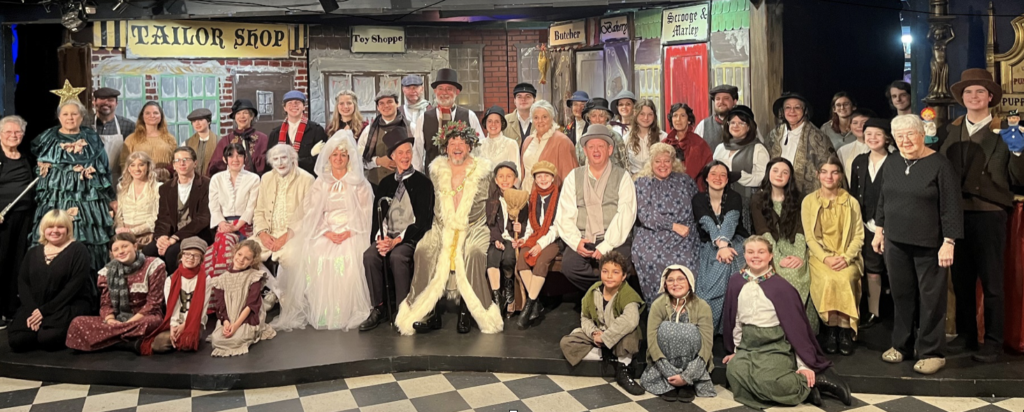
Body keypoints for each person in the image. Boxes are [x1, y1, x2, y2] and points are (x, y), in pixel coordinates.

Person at [937, 68, 1023, 363]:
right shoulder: (950, 130)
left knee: (992, 281)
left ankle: (994, 342)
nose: (973, 97)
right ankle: (966, 335)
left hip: (989, 214)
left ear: (990, 98)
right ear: (962, 98)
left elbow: (1018, 178)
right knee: (960, 280)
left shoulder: (1005, 132)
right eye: (968, 92)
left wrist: (1019, 151)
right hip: (956, 214)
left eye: (979, 92)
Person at [873, 114, 962, 374]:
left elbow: (951, 207)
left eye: (910, 134)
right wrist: (879, 231)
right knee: (902, 297)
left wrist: (949, 242)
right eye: (899, 136)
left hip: (931, 245)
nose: (905, 140)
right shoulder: (891, 163)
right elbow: (883, 199)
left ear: (922, 134)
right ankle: (901, 346)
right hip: (896, 243)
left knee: (931, 299)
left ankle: (933, 352)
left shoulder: (939, 165)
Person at [395, 120, 502, 335]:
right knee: (424, 250)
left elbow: (498, 201)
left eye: (462, 142)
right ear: (445, 147)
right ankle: (426, 311)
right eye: (453, 142)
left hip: (474, 226)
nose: (457, 147)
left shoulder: (484, 172)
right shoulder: (436, 171)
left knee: (472, 252)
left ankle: (469, 309)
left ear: (470, 146)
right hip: (441, 227)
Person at [722, 236, 852, 409]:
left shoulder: (782, 287)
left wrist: (803, 365)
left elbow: (796, 331)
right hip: (749, 346)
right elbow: (735, 320)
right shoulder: (736, 282)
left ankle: (804, 385)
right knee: (734, 372)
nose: (755, 256)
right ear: (744, 255)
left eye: (761, 252)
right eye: (750, 252)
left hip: (775, 346)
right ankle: (803, 393)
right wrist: (736, 350)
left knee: (773, 380)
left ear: (770, 256)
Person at [274, 131, 373, 331]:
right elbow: (312, 212)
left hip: (352, 230)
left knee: (347, 258)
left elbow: (366, 213)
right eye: (335, 155)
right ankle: (322, 311)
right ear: (329, 157)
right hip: (326, 229)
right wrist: (326, 232)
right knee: (314, 255)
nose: (338, 159)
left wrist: (349, 232)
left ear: (348, 158)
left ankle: (345, 310)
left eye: (343, 155)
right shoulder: (322, 182)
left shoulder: (359, 183)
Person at [359, 129, 435, 331]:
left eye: (408, 152)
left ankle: (404, 309)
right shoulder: (384, 184)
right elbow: (379, 216)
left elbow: (423, 221)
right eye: (400, 153)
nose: (405, 156)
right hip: (387, 237)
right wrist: (382, 240)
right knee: (370, 256)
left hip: (409, 239)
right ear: (392, 156)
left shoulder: (423, 183)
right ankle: (379, 307)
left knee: (398, 257)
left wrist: (397, 241)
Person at [32, 99, 115, 272]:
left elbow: (104, 169)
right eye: (65, 114)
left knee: (89, 242)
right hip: (57, 199)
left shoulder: (91, 138)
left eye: (74, 114)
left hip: (88, 201)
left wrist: (110, 198)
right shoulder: (47, 138)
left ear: (82, 116)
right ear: (59, 116)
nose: (70, 118)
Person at [556, 125, 637, 293]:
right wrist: (575, 241)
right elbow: (564, 214)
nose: (596, 151)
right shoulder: (574, 176)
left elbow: (626, 214)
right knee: (570, 267)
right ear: (584, 151)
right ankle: (602, 293)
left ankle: (601, 298)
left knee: (619, 266)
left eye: (601, 146)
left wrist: (607, 244)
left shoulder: (623, 177)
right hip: (583, 237)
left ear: (610, 149)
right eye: (591, 147)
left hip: (613, 238)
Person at [559, 251, 645, 396]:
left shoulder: (628, 294)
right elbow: (585, 317)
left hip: (617, 335)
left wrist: (606, 337)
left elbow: (630, 320)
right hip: (599, 334)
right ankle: (610, 356)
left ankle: (623, 368)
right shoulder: (593, 291)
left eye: (615, 272)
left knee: (631, 334)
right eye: (605, 271)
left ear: (623, 276)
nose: (609, 276)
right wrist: (594, 333)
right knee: (567, 343)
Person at [7, 210, 95, 352]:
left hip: (66, 305)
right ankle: (38, 328)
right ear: (43, 229)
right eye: (50, 227)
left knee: (48, 338)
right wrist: (33, 310)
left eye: (60, 227)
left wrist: (44, 311)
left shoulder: (79, 250)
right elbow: (23, 283)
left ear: (68, 229)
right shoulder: (33, 252)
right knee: (18, 340)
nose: (55, 231)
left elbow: (74, 287)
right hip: (36, 306)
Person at [802, 156, 864, 356]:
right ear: (818, 175)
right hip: (821, 257)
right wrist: (826, 258)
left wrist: (846, 258)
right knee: (828, 279)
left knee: (845, 278)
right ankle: (830, 330)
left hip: (847, 256)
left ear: (840, 176)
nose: (829, 176)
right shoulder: (809, 201)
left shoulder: (851, 202)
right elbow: (810, 238)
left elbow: (858, 236)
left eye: (834, 172)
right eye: (824, 172)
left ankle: (844, 331)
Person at [65, 233, 166, 354]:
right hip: (118, 319)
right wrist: (110, 320)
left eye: (124, 246)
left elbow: (153, 303)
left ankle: (106, 342)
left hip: (143, 318)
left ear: (135, 246)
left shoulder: (154, 265)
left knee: (151, 323)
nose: (121, 251)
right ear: (112, 254)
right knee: (77, 323)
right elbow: (106, 305)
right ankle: (128, 344)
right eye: (116, 249)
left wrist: (129, 322)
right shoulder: (107, 272)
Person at [750, 158, 817, 329]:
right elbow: (763, 231)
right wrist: (778, 258)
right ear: (768, 173)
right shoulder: (757, 200)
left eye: (784, 172)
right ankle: (781, 326)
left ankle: (799, 328)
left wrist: (798, 256)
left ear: (790, 177)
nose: (779, 175)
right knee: (784, 274)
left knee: (799, 273)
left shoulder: (800, 199)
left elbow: (802, 230)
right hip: (770, 248)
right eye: (775, 171)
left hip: (796, 246)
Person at [633, 143, 700, 303]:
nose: (662, 165)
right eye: (658, 161)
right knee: (650, 258)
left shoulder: (685, 180)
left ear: (673, 162)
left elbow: (697, 204)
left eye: (667, 161)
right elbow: (645, 215)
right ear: (651, 163)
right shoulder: (642, 183)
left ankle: (684, 309)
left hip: (684, 234)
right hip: (651, 233)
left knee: (687, 261)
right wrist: (673, 226)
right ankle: (658, 309)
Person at [640, 265, 715, 402]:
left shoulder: (702, 306)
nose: (675, 284)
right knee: (666, 328)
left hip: (692, 366)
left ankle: (687, 384)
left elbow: (707, 343)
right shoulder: (658, 305)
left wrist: (687, 377)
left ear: (689, 282)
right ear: (665, 284)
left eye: (681, 279)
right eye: (670, 280)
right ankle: (670, 382)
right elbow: (651, 340)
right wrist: (670, 373)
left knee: (690, 331)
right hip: (664, 367)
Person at [691, 161, 748, 332]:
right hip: (707, 244)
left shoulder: (734, 197)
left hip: (734, 241)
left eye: (723, 174)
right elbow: (706, 223)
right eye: (713, 173)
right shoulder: (698, 199)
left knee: (727, 264)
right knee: (711, 274)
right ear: (706, 178)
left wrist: (724, 244)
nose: (718, 177)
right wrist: (720, 245)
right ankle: (705, 328)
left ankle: (727, 329)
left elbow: (730, 222)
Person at [849, 118, 893, 329]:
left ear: (887, 137)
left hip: (892, 225)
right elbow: (854, 193)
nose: (872, 138)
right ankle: (874, 312)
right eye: (868, 134)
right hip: (866, 223)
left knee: (894, 269)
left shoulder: (897, 161)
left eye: (878, 134)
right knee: (872, 268)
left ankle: (897, 313)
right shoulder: (859, 161)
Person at [143, 147, 212, 274]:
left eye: (186, 159)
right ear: (174, 165)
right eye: (178, 160)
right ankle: (157, 288)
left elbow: (203, 218)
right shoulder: (166, 188)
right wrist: (161, 237)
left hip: (197, 234)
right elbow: (163, 217)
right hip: (171, 235)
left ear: (195, 163)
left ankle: (175, 288)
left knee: (172, 252)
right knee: (148, 251)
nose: (182, 163)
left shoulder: (207, 184)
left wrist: (175, 238)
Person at [208, 239, 276, 357]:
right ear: (235, 252)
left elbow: (252, 304)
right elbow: (221, 305)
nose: (241, 259)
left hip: (246, 318)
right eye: (239, 254)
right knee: (217, 339)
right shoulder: (222, 279)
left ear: (252, 261)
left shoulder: (254, 276)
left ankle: (244, 332)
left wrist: (236, 325)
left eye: (247, 258)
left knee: (237, 339)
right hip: (229, 317)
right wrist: (226, 322)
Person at [514, 161, 561, 330]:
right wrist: (525, 239)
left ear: (552, 178)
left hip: (553, 239)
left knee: (541, 261)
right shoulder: (532, 197)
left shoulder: (559, 197)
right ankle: (536, 302)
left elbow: (557, 228)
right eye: (539, 176)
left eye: (546, 176)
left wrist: (541, 245)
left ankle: (529, 304)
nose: (543, 179)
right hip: (534, 236)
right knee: (522, 259)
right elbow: (530, 224)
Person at [252, 144, 314, 273]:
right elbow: (259, 211)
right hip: (268, 234)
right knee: (244, 253)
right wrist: (263, 234)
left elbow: (309, 216)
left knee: (291, 259)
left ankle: (286, 292)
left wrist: (284, 238)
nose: (280, 163)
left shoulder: (307, 179)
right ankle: (276, 291)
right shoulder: (266, 178)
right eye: (275, 159)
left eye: (284, 158)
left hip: (294, 236)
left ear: (292, 158)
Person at [205, 143, 261, 284]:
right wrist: (222, 223)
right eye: (231, 156)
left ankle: (231, 283)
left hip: (245, 224)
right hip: (224, 224)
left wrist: (237, 226)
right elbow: (213, 205)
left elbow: (251, 207)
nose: (235, 159)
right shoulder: (216, 179)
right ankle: (222, 285)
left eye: (239, 155)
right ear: (225, 159)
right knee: (225, 240)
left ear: (244, 158)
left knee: (235, 244)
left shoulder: (254, 178)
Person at [146, 237, 211, 354]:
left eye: (195, 255)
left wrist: (185, 326)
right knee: (158, 345)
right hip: (177, 320)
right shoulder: (171, 279)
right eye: (187, 254)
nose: (190, 258)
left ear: (201, 259)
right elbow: (172, 307)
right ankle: (176, 339)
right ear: (181, 256)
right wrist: (174, 326)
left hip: (194, 321)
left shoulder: (206, 279)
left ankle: (186, 338)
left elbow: (202, 309)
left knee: (187, 345)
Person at [413, 68, 484, 173]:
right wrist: (417, 178)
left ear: (457, 92)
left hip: (463, 179)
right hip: (433, 179)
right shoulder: (423, 118)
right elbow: (417, 152)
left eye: (449, 89)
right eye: (440, 88)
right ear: (435, 91)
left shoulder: (469, 116)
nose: (444, 92)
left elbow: (480, 148)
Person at [1, 115, 35, 329]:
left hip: (25, 217)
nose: (13, 136)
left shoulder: (27, 157)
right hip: (2, 218)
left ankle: (11, 310)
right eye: (8, 132)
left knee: (17, 264)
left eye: (17, 132)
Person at [765, 93, 837, 195]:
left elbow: (831, 169)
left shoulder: (818, 138)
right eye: (788, 107)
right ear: (782, 111)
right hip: (777, 193)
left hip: (807, 197)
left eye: (797, 107)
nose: (792, 111)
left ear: (805, 110)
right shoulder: (773, 135)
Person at [486, 162, 527, 315]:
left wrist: (520, 229)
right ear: (496, 180)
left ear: (515, 179)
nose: (505, 180)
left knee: (509, 258)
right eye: (501, 177)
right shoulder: (492, 199)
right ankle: (497, 298)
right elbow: (490, 223)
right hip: (497, 238)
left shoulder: (520, 197)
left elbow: (525, 221)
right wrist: (496, 239)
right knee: (492, 257)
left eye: (509, 176)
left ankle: (508, 286)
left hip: (512, 239)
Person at [713, 105, 768, 210]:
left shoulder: (758, 148)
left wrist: (741, 176)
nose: (735, 126)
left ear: (749, 127)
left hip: (748, 202)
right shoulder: (720, 148)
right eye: (732, 122)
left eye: (741, 123)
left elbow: (764, 178)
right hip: (721, 200)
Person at [267, 90, 330, 178]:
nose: (294, 105)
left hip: (308, 180)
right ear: (284, 108)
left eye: (297, 102)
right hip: (282, 180)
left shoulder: (316, 130)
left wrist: (292, 163)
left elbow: (321, 159)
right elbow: (270, 162)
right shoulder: (275, 133)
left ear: (304, 107)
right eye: (290, 103)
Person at [521, 100, 577, 191]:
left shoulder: (562, 141)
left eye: (544, 117)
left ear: (551, 118)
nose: (540, 121)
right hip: (526, 194)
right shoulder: (528, 141)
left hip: (550, 197)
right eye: (536, 117)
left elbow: (569, 176)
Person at [357, 90, 410, 185]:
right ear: (378, 107)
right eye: (381, 103)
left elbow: (418, 157)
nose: (386, 106)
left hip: (404, 184)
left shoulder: (411, 128)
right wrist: (378, 161)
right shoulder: (369, 131)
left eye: (390, 102)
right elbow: (358, 158)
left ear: (397, 104)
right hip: (376, 185)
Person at [208, 99, 270, 176]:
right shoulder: (226, 140)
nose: (242, 116)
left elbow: (270, 165)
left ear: (251, 116)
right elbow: (214, 167)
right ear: (235, 117)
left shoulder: (263, 139)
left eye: (245, 113)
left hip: (257, 183)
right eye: (238, 113)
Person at [114, 151, 161, 246]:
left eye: (141, 165)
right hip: (124, 236)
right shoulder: (122, 187)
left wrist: (133, 231)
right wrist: (121, 230)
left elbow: (156, 218)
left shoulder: (157, 188)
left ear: (148, 167)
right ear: (128, 168)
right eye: (132, 165)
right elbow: (119, 215)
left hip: (147, 236)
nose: (137, 169)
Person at [92, 87, 136, 183]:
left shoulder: (128, 126)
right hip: (91, 179)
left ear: (116, 103)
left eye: (110, 100)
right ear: (94, 102)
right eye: (102, 99)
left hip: (118, 180)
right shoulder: (85, 124)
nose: (106, 103)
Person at [120, 101, 177, 174]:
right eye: (148, 113)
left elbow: (175, 162)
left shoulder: (170, 138)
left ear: (161, 116)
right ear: (142, 116)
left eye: (155, 113)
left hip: (165, 181)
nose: (152, 116)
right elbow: (124, 162)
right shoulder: (131, 139)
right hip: (139, 181)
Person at [662, 103, 713, 182]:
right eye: (675, 115)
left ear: (689, 120)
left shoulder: (699, 144)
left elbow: (707, 171)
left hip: (693, 189)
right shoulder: (664, 144)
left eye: (682, 115)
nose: (678, 119)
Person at [577, 98, 629, 170]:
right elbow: (577, 168)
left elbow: (625, 166)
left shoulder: (616, 138)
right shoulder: (582, 141)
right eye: (594, 116)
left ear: (606, 118)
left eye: (601, 116)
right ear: (589, 118)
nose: (597, 120)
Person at [624, 99, 667, 176]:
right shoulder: (626, 138)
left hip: (657, 180)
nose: (646, 118)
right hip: (634, 182)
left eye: (650, 114)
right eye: (642, 114)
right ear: (635, 114)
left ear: (654, 116)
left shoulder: (663, 137)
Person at [479, 106, 522, 182]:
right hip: (483, 191)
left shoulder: (511, 144)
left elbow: (516, 173)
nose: (493, 124)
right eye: (490, 121)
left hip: (504, 190)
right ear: (485, 123)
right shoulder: (479, 145)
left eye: (497, 121)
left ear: (502, 124)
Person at [836, 109, 878, 183]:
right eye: (855, 123)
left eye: (864, 122)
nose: (859, 126)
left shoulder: (888, 149)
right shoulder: (843, 151)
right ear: (850, 126)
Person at [696, 84, 738, 149]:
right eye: (718, 99)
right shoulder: (703, 125)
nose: (721, 102)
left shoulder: (745, 123)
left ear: (734, 101)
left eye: (726, 98)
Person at [184, 108, 218, 177]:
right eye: (194, 121)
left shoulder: (219, 141)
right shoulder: (187, 143)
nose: (197, 123)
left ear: (208, 121)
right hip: (193, 182)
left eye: (200, 120)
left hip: (213, 181)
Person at [504, 82, 536, 147]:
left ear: (534, 100)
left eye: (528, 96)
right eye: (519, 96)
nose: (523, 99)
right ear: (514, 101)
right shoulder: (505, 121)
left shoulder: (543, 121)